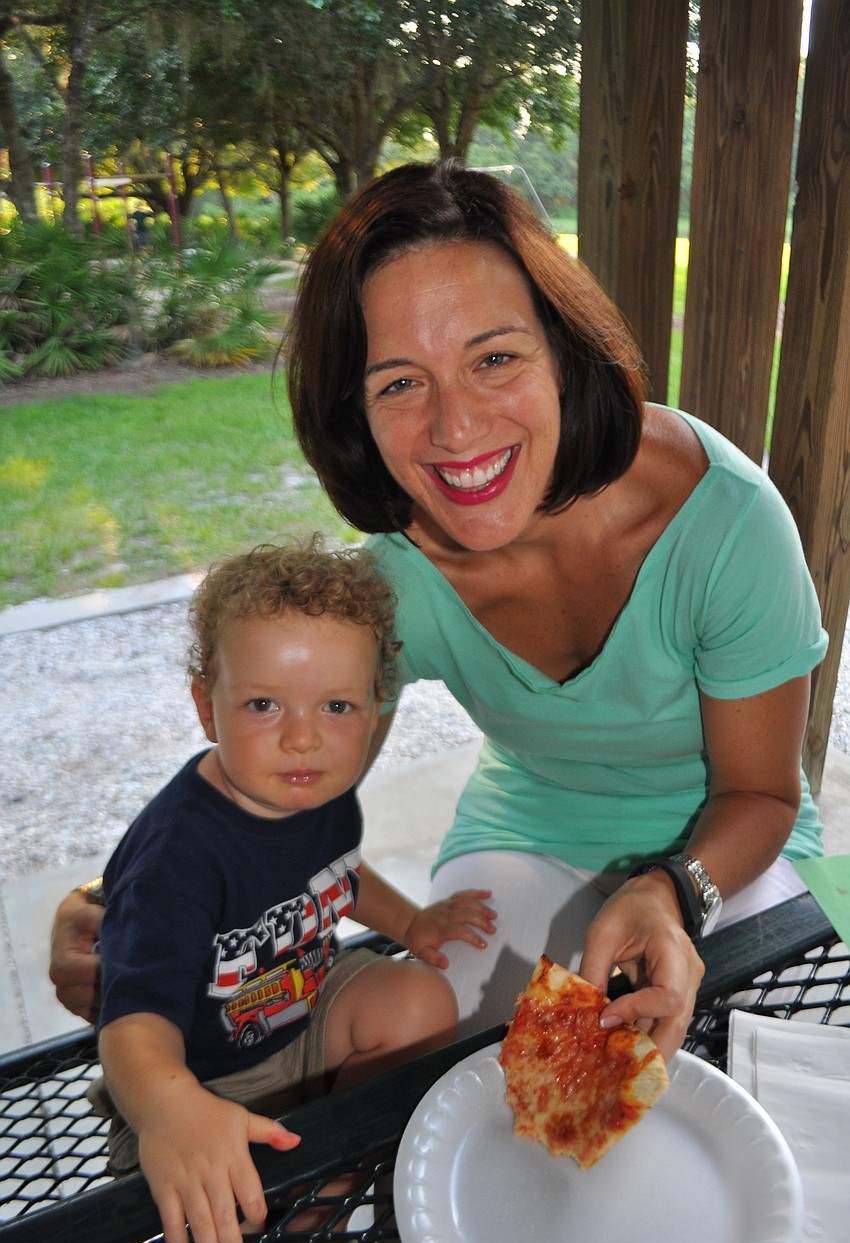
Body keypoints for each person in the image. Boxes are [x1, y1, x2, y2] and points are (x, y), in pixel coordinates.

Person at [51, 160, 827, 1064]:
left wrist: (671, 890)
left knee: (743, 1070)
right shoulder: (391, 578)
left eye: (494, 358)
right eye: (399, 383)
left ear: (564, 352)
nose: (455, 430)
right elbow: (278, 778)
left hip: (725, 856)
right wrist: (121, 896)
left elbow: (762, 792)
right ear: (358, 414)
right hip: (524, 841)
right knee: (444, 1074)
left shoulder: (725, 521)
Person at [86, 538, 495, 1243]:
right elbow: (130, 1023)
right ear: (205, 707)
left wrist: (412, 924)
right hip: (195, 1076)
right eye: (264, 703)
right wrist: (167, 1107)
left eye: (336, 705)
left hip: (302, 1016)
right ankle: (273, 1193)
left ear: (375, 710)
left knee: (422, 1000)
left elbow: (339, 875)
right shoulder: (176, 858)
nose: (303, 737)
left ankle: (324, 1165)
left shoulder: (314, 791)